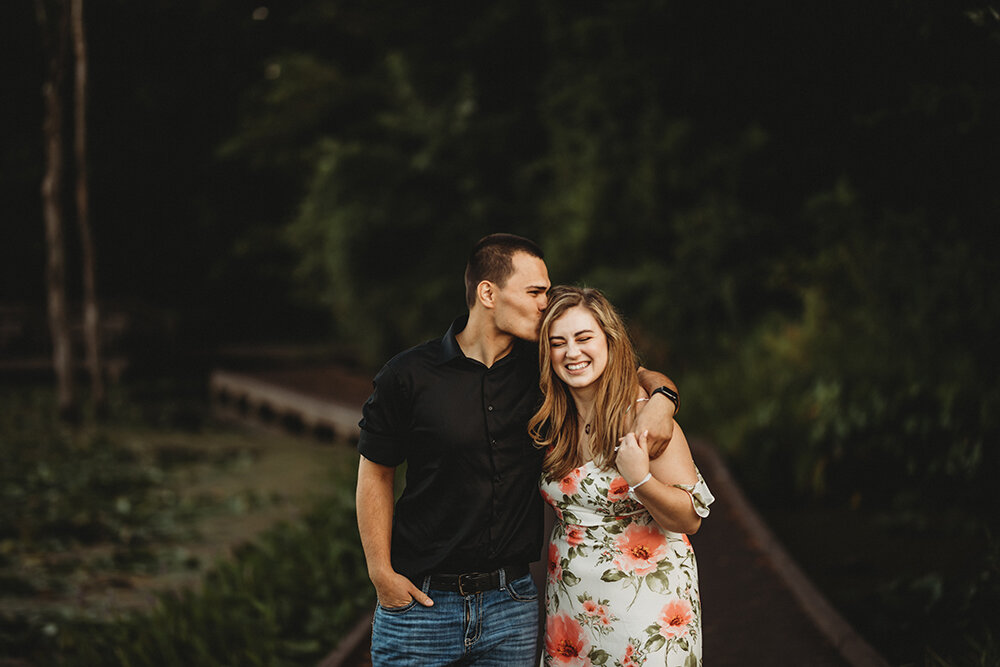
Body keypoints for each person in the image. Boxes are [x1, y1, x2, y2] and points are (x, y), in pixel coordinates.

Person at [356, 234, 680, 666]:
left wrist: (663, 399)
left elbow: (627, 367)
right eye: (535, 292)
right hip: (421, 606)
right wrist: (381, 575)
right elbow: (376, 473)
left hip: (512, 606)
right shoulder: (408, 375)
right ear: (488, 293)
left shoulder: (546, 366)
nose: (546, 303)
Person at [530, 285, 714, 667]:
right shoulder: (552, 423)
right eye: (558, 342)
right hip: (571, 608)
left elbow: (689, 518)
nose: (572, 352)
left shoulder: (644, 419)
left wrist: (641, 479)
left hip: (645, 610)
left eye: (584, 338)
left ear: (610, 343)